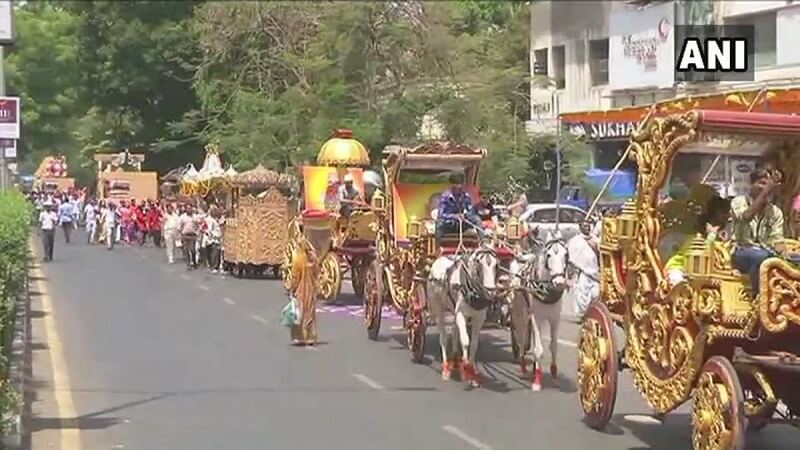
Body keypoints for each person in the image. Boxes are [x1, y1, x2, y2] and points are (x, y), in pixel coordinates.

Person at [730, 169, 788, 295]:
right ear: (751, 185)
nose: (765, 188)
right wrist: (766, 191)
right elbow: (746, 216)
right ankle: (759, 299)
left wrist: (784, 254)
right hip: (742, 252)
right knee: (761, 257)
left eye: (769, 185)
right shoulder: (739, 202)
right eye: (762, 183)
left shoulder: (775, 212)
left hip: (767, 253)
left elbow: (777, 240)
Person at [665, 196, 730, 286]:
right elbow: (702, 254)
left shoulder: (720, 239)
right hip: (678, 270)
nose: (727, 217)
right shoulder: (693, 240)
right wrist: (712, 235)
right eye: (724, 212)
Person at [567, 220, 600, 318]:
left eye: (588, 226)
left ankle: (591, 311)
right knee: (581, 294)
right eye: (585, 226)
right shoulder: (575, 241)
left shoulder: (595, 239)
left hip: (594, 272)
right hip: (582, 272)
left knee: (596, 293)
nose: (587, 228)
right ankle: (581, 314)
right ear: (580, 227)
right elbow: (572, 256)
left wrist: (596, 246)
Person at [203, 208, 222, 273]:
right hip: (212, 238)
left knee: (213, 252)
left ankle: (213, 266)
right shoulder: (209, 220)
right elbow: (208, 229)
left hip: (214, 238)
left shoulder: (215, 219)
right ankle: (213, 266)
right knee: (212, 252)